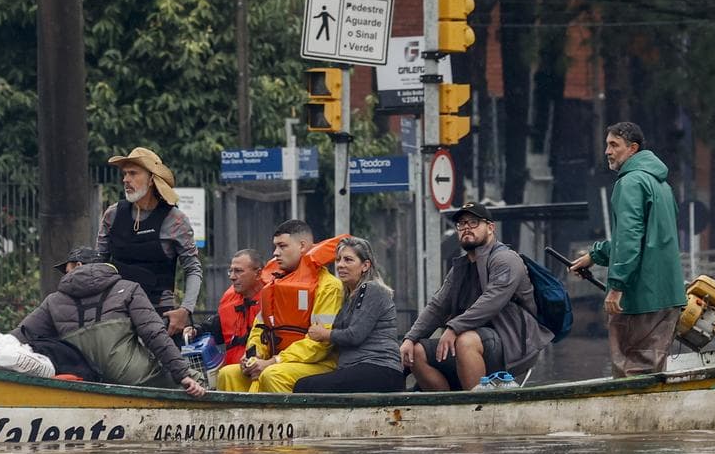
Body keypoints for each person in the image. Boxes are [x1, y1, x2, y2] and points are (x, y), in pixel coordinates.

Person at [569, 122, 685, 378]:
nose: (607, 151)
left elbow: (630, 238)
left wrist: (617, 286)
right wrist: (595, 255)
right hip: (667, 295)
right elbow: (646, 238)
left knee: (631, 372)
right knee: (653, 371)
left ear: (632, 149)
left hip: (640, 296)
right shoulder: (661, 184)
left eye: (614, 145)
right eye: (606, 145)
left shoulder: (630, 182)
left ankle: (633, 418)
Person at [12, 246, 206, 397]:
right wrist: (183, 375)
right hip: (133, 377)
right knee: (197, 379)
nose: (65, 274)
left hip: (84, 379)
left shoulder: (53, 301)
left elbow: (20, 336)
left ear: (78, 266)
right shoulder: (129, 288)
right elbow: (155, 335)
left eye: (66, 268)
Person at [400, 203, 553, 390]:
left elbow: (492, 300)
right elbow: (438, 306)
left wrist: (454, 328)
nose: (466, 228)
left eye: (473, 223)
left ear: (490, 228)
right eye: (461, 224)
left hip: (511, 341)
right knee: (416, 352)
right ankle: (448, 409)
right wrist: (410, 338)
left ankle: (478, 408)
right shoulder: (460, 267)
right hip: (473, 338)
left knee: (465, 341)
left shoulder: (506, 259)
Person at [216, 220, 344, 393]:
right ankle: (243, 421)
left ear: (302, 246)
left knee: (272, 374)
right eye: (275, 247)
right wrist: (252, 357)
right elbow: (259, 329)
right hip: (277, 362)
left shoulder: (329, 286)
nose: (276, 253)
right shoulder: (273, 286)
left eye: (282, 246)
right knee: (228, 374)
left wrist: (273, 361)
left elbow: (320, 345)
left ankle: (284, 420)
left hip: (318, 364)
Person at [97, 147, 201, 337]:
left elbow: (193, 269)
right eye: (125, 173)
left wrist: (185, 310)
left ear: (152, 179)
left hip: (159, 315)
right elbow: (98, 263)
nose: (125, 179)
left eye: (133, 173)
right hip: (115, 312)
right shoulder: (112, 214)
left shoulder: (175, 219)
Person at [294, 237, 405, 393]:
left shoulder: (372, 289)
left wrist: (324, 334)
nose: (340, 265)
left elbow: (355, 335)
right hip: (356, 368)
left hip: (379, 368)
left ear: (365, 265)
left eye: (348, 260)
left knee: (304, 386)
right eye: (338, 260)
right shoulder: (349, 295)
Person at [182, 248, 265, 367]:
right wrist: (196, 330)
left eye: (238, 271)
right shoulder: (230, 301)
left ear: (258, 273)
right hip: (232, 372)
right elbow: (219, 326)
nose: (232, 277)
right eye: (230, 271)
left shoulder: (272, 301)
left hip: (260, 371)